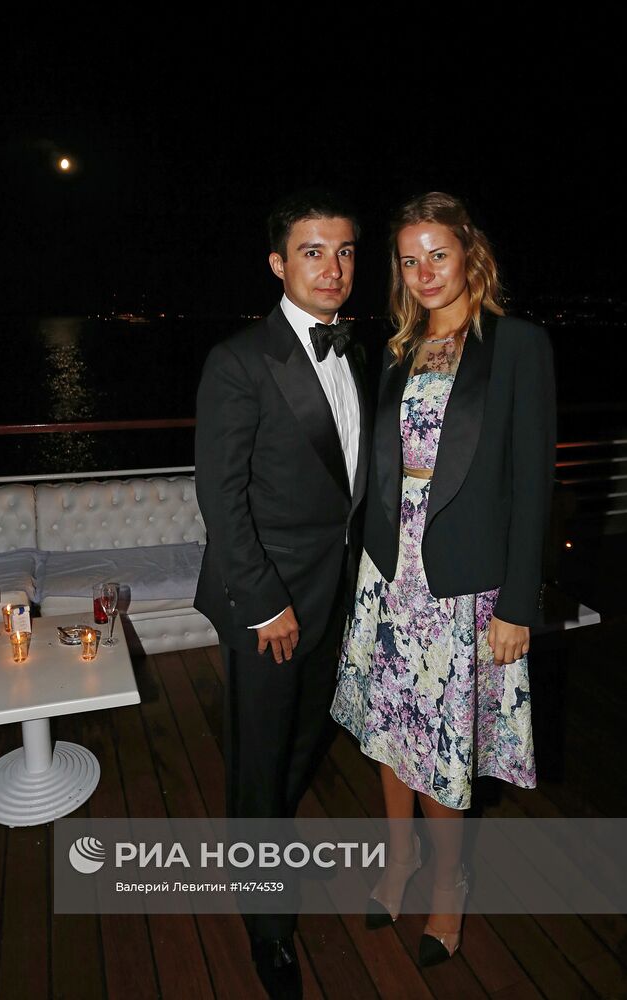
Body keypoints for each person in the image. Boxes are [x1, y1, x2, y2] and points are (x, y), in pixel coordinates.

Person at [331, 191, 556, 967]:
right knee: (388, 729)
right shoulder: (397, 347)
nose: (424, 272)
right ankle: (399, 859)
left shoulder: (516, 345)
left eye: (437, 254)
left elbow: (531, 485)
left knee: (436, 743)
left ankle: (447, 883)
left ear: (469, 254)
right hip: (387, 571)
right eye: (408, 260)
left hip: (458, 583)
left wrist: (516, 604)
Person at [194, 190, 370, 999]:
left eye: (344, 251)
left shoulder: (358, 353)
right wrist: (265, 604)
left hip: (336, 591)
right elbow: (221, 498)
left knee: (305, 738)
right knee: (260, 761)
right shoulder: (239, 361)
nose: (331, 268)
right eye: (311, 251)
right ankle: (267, 927)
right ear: (277, 263)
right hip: (267, 602)